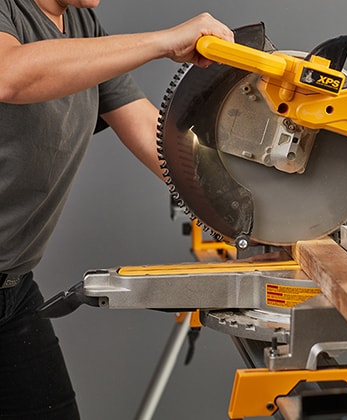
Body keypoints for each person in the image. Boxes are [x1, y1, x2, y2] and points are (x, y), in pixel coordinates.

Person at [0, 0, 234, 418]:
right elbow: (9, 74)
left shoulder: (82, 23)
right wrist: (162, 42)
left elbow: (153, 135)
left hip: (11, 288)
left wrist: (248, 207)